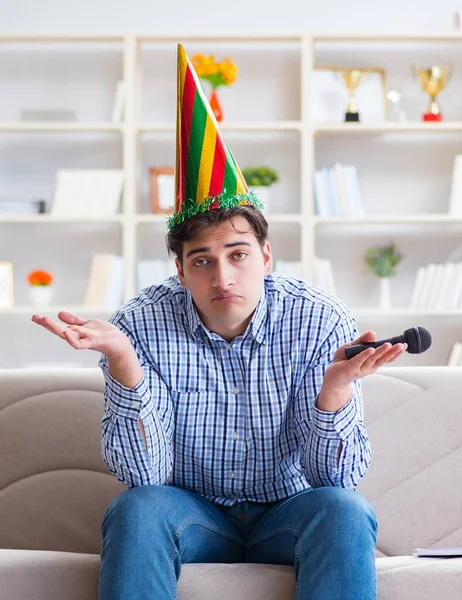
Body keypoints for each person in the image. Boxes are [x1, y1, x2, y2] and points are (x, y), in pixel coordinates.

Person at [32, 45, 407, 600]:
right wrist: (125, 363)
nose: (222, 276)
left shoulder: (319, 319)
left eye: (238, 254)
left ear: (267, 256)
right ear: (180, 269)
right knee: (136, 509)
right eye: (202, 260)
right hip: (193, 512)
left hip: (290, 511)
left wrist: (333, 393)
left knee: (345, 509)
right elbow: (146, 477)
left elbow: (339, 479)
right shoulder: (137, 323)